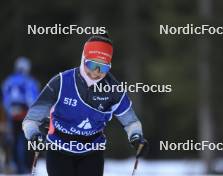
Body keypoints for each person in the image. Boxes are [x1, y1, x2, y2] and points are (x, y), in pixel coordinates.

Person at [22, 34, 148, 176]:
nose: (96, 72)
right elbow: (31, 120)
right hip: (59, 149)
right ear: (83, 60)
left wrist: (137, 136)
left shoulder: (113, 89)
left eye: (103, 68)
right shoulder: (61, 82)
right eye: (92, 64)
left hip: (92, 152)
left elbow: (130, 121)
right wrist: (34, 135)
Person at [1, 57, 39, 173]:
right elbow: (33, 99)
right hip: (24, 113)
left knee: (12, 140)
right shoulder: (29, 81)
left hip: (11, 114)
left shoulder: (8, 81)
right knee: (24, 140)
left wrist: (9, 112)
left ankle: (13, 164)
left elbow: (5, 99)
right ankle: (23, 167)